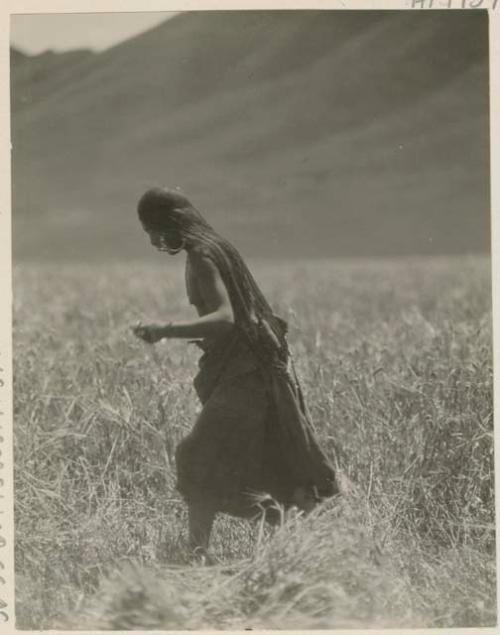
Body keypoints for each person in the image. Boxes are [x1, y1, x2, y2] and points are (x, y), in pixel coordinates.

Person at [133, 187, 338, 557]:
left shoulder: (201, 257)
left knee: (197, 456)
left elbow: (226, 319)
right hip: (257, 368)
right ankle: (300, 548)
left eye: (151, 230)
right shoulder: (218, 246)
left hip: (246, 375)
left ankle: (197, 554)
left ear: (169, 223)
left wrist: (164, 330)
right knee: (266, 458)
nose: (152, 241)